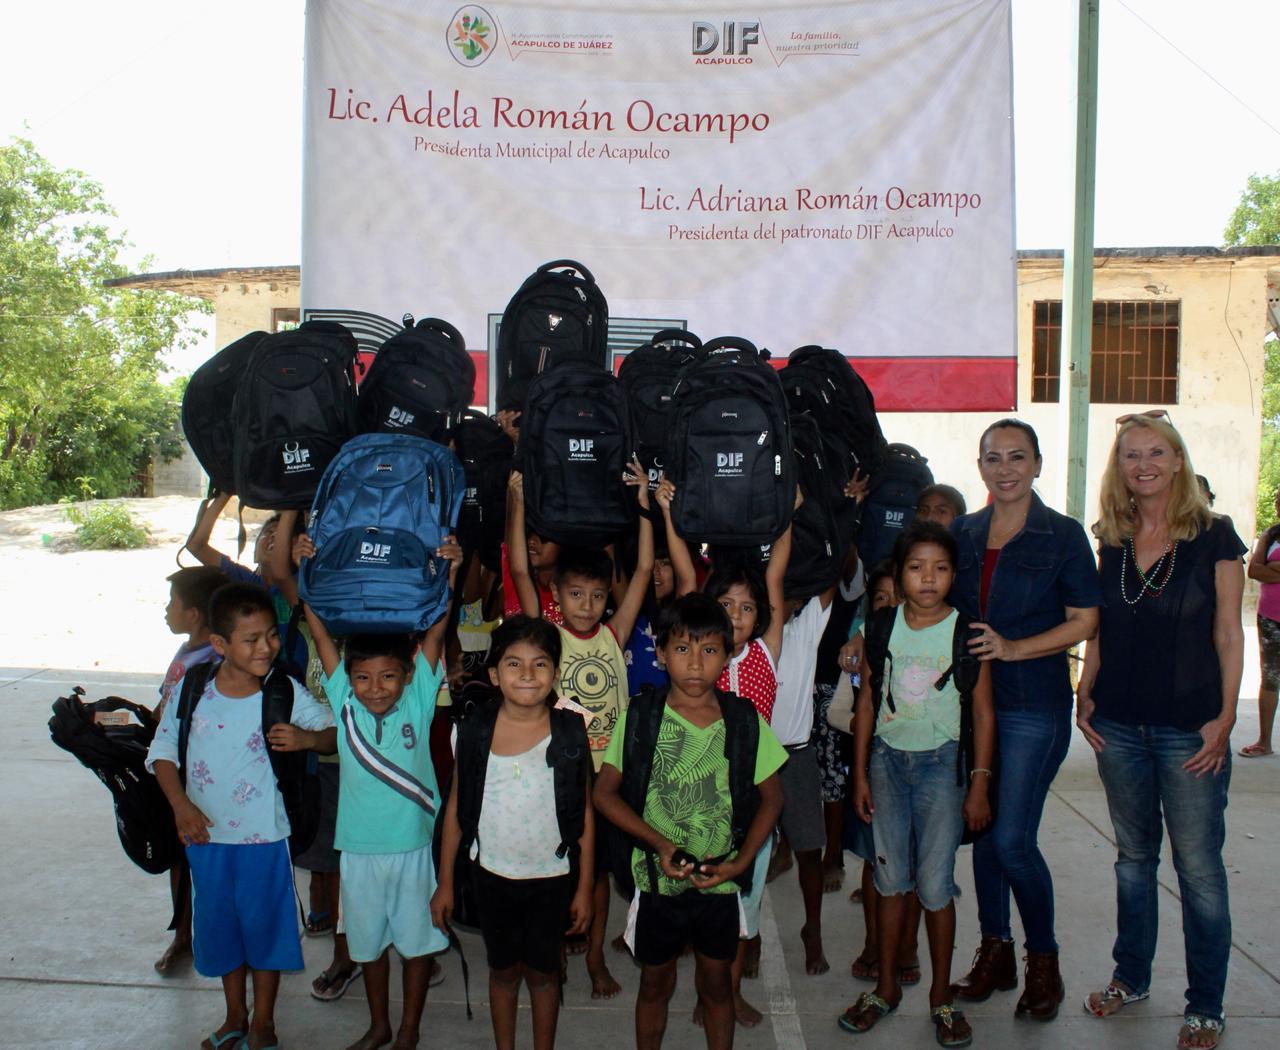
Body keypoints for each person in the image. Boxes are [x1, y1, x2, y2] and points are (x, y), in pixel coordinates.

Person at [1076, 412, 1244, 1050]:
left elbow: (1228, 634)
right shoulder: (1112, 537)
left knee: (1198, 869)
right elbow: (1102, 631)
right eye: (1129, 455)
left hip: (1189, 729)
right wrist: (1085, 691)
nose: (1142, 465)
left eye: (1155, 452)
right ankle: (1132, 977)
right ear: (1119, 469)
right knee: (1133, 860)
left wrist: (1226, 718)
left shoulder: (1216, 537)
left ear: (1178, 461)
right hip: (1117, 722)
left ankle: (1206, 1004)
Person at [948, 418, 1101, 1021]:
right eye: (993, 458)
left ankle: (1044, 961)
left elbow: (1085, 620)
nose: (1005, 468)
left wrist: (1013, 647)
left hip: (1033, 704)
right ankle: (996, 952)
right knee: (984, 832)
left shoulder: (1061, 535)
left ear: (1037, 463)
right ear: (980, 466)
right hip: (970, 705)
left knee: (1012, 839)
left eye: (1017, 457)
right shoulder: (962, 532)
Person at [146, 583, 337, 1050]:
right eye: (250, 640)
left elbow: (333, 732)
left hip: (263, 840)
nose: (267, 646)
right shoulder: (193, 690)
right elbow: (163, 751)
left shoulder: (283, 690)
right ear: (219, 645)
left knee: (265, 931)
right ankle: (235, 1015)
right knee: (223, 929)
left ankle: (264, 1023)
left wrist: (307, 741)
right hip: (205, 840)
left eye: (270, 635)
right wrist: (181, 806)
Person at [295, 521, 462, 1050]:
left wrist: (450, 569)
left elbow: (436, 630)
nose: (375, 688)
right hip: (358, 851)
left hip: (412, 848)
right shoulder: (343, 696)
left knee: (417, 945)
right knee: (366, 946)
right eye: (363, 678)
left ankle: (408, 1029)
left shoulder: (417, 695)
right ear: (347, 678)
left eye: (388, 676)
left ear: (408, 676)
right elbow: (319, 630)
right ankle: (380, 1026)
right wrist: (307, 565)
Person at [594, 594, 786, 1050]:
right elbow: (604, 794)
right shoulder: (640, 718)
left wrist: (740, 864)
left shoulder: (744, 722)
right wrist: (659, 844)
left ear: (729, 653)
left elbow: (773, 800)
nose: (695, 664)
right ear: (660, 654)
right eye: (682, 649)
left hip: (718, 881)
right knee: (655, 984)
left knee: (717, 984)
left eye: (709, 650)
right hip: (658, 883)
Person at [839, 522, 994, 1046]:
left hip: (941, 768)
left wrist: (978, 784)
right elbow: (865, 704)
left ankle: (940, 998)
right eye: (916, 567)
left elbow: (983, 712)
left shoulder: (967, 633)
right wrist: (859, 773)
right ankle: (885, 988)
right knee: (890, 880)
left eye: (941, 568)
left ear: (954, 574)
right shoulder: (880, 627)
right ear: (899, 574)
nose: (928, 578)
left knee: (934, 885)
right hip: (886, 764)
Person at [507, 460, 654, 1000]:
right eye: (575, 595)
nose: (586, 605)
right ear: (559, 594)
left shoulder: (615, 635)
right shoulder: (546, 637)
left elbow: (640, 573)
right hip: (562, 774)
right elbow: (521, 571)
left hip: (608, 778)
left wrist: (642, 505)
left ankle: (594, 958)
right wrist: (517, 501)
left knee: (597, 877)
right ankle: (555, 957)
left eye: (595, 595)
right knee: (558, 873)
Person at [432, 616, 596, 1050]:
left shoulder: (570, 733)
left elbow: (585, 817)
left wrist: (583, 888)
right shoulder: (472, 732)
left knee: (544, 975)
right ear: (494, 675)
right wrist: (445, 882)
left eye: (540, 665)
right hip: (492, 875)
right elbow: (456, 810)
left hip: (551, 877)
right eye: (514, 664)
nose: (527, 675)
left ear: (556, 674)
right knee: (502, 972)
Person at [662, 477, 791, 1026]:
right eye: (725, 605)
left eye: (746, 607)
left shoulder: (764, 650)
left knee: (740, 909)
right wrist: (669, 511)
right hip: (695, 798)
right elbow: (687, 575)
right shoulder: (701, 656)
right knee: (696, 901)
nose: (736, 615)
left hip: (747, 803)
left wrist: (785, 511)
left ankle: (727, 994)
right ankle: (704, 991)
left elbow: (776, 579)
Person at [827, 561, 924, 989]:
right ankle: (873, 944)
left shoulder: (926, 650)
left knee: (916, 866)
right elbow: (837, 711)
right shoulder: (860, 654)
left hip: (919, 773)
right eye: (879, 599)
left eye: (895, 598)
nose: (888, 606)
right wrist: (869, 730)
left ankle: (907, 947)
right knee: (875, 863)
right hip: (874, 771)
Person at [152, 565, 229, 977]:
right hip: (174, 777)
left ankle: (208, 937)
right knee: (178, 857)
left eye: (172, 604)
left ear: (195, 614)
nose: (166, 611)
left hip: (198, 781)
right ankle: (184, 934)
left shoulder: (214, 663)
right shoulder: (188, 652)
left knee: (203, 859)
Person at [1242, 485, 1280, 757]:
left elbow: (1264, 570)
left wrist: (1274, 569)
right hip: (1270, 616)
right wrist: (1268, 569)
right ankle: (1264, 741)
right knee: (1270, 678)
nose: (1279, 505)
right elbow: (1254, 570)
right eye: (1278, 500)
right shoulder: (1271, 534)